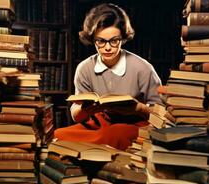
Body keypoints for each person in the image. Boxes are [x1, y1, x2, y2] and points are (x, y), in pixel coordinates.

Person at [54, 3, 162, 150]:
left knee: (114, 134)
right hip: (101, 123)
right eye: (101, 41)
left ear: (123, 38)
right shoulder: (84, 68)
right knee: (59, 135)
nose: (108, 47)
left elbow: (162, 117)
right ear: (92, 39)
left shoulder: (143, 68)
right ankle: (97, 145)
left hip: (134, 123)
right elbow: (77, 116)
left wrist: (139, 108)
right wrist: (85, 110)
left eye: (114, 40)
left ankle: (95, 145)